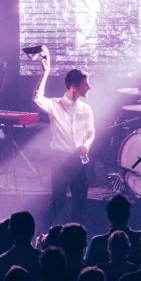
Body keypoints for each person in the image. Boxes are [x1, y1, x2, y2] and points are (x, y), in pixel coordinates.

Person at [33, 49, 95, 227]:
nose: (89, 87)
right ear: (74, 86)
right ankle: (39, 234)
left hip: (78, 160)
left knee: (80, 203)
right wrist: (45, 72)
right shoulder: (55, 105)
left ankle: (76, 241)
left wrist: (86, 144)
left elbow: (91, 132)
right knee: (58, 202)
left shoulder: (86, 109)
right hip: (59, 159)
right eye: (86, 84)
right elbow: (37, 98)